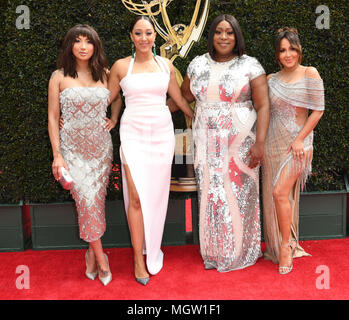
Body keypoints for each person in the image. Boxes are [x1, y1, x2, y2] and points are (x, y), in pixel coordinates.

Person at [177, 14, 270, 272]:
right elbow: (183, 95)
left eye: (229, 32)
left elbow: (263, 106)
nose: (224, 37)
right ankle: (214, 251)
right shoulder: (197, 65)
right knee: (211, 195)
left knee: (239, 196)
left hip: (241, 144)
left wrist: (260, 143)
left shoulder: (251, 65)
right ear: (211, 36)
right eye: (219, 32)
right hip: (206, 144)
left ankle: (241, 251)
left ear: (237, 36)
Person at [107, 16, 193, 285]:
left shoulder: (165, 65)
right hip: (132, 134)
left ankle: (152, 249)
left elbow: (177, 99)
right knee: (135, 197)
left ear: (155, 37)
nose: (144, 38)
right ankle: (137, 258)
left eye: (149, 33)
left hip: (161, 134)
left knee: (155, 196)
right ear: (131, 37)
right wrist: (79, 115)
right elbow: (106, 98)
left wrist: (196, 119)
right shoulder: (121, 66)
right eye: (138, 33)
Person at [48, 24, 120, 286]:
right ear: (69, 46)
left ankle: (90, 252)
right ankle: (102, 259)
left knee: (95, 201)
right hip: (72, 150)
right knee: (86, 200)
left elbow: (118, 97)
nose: (82, 46)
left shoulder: (106, 73)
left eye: (87, 41)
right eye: (76, 41)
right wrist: (58, 155)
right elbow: (53, 117)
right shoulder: (58, 76)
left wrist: (112, 118)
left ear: (95, 46)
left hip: (101, 149)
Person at [262, 27, 325, 274]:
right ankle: (277, 243)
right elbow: (261, 110)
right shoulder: (270, 80)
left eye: (291, 49)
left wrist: (300, 139)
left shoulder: (310, 73)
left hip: (299, 145)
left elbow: (318, 110)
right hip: (273, 144)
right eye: (282, 50)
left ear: (298, 50)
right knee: (277, 195)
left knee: (279, 192)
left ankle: (286, 246)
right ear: (277, 55)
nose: (287, 54)